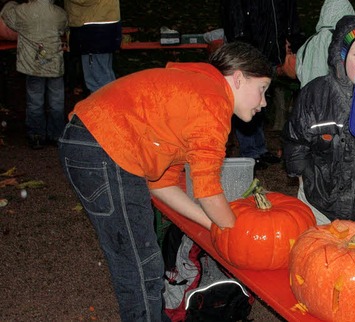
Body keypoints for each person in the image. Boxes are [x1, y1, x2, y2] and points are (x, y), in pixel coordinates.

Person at [57, 42, 273, 321]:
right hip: (104, 148)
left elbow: (160, 185)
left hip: (89, 144)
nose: (264, 102)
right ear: (239, 78)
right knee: (139, 263)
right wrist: (239, 236)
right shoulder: (213, 98)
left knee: (142, 260)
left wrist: (214, 227)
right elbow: (208, 191)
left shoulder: (191, 95)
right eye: (263, 89)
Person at [282, 15, 355, 226]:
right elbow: (295, 137)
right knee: (317, 253)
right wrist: (302, 173)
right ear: (341, 59)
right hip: (320, 202)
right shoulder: (315, 94)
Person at [221, 0, 301, 169]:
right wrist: (244, 51)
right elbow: (236, 20)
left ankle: (259, 148)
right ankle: (250, 150)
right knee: (246, 101)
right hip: (248, 52)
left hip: (269, 52)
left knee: (258, 101)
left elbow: (286, 16)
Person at [2, 0, 68, 149]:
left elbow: (7, 17)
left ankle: (36, 136)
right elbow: (64, 28)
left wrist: (10, 3)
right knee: (57, 101)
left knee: (35, 101)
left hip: (33, 65)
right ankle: (56, 135)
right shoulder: (59, 13)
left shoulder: (22, 11)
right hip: (54, 64)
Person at [295, 0, 355, 88]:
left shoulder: (309, 42)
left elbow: (299, 71)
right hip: (335, 97)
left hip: (308, 97)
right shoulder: (342, 41)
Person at [64, 0, 120, 93]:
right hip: (102, 23)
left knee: (97, 81)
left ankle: (104, 106)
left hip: (94, 29)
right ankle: (113, 105)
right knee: (105, 76)